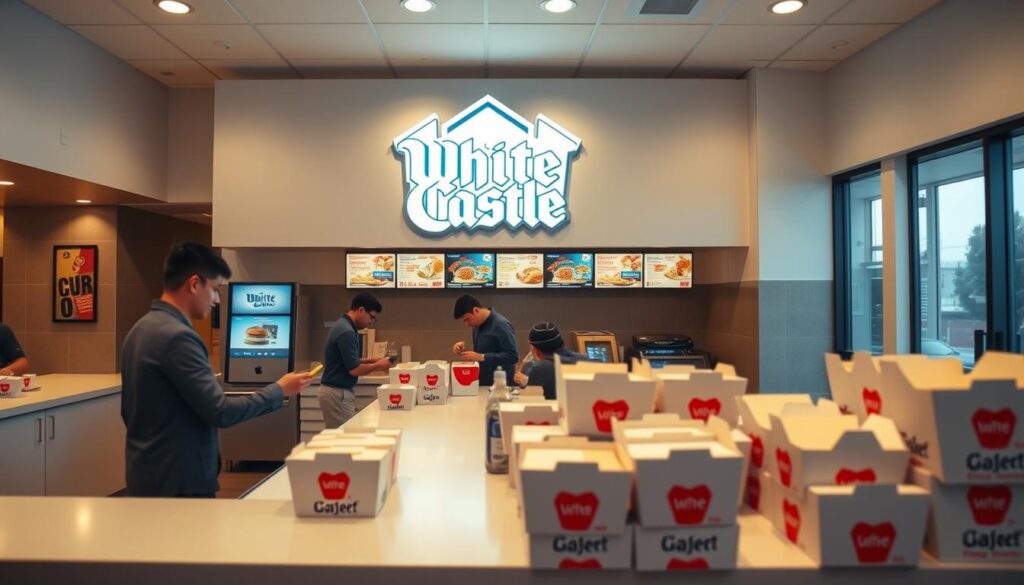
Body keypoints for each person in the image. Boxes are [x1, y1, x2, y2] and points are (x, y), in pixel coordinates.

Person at [121, 242, 313, 497]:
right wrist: (278, 390)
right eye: (214, 289)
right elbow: (220, 411)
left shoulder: (139, 330)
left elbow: (129, 412)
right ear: (194, 284)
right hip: (179, 482)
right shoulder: (178, 337)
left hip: (146, 473)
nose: (217, 300)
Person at [320, 293, 392, 428]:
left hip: (336, 393)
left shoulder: (344, 325)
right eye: (372, 317)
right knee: (345, 436)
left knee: (342, 435)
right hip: (337, 393)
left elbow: (350, 361)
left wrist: (373, 360)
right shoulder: (346, 331)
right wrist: (379, 365)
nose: (371, 322)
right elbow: (355, 370)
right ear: (361, 310)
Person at [451, 294, 517, 387]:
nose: (466, 324)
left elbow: (513, 356)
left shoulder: (501, 325)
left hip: (500, 386)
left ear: (476, 310)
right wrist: (463, 348)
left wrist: (481, 357)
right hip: (483, 383)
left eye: (467, 319)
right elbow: (483, 351)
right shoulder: (477, 325)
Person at [514, 322, 586, 400]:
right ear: (562, 343)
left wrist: (525, 376)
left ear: (536, 350)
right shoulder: (586, 360)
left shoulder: (540, 368)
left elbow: (529, 400)